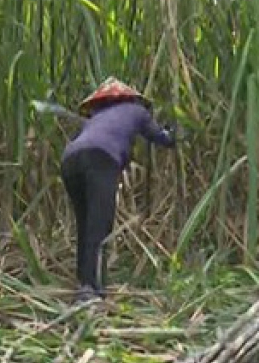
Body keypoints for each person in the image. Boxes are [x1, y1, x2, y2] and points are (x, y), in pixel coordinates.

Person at [60, 78, 176, 302]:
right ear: (130, 97)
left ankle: (85, 283)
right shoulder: (136, 109)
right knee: (100, 225)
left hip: (70, 161)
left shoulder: (95, 118)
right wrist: (172, 133)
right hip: (101, 159)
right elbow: (160, 137)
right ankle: (90, 291)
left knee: (85, 224)